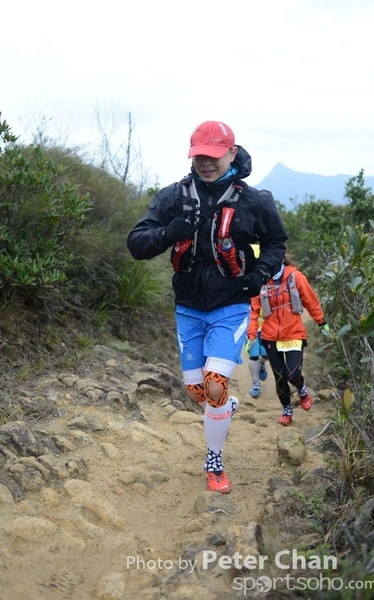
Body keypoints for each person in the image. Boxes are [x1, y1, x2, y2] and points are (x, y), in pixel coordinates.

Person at [127, 120, 287, 493]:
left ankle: (214, 461)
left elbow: (276, 243)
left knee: (215, 385)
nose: (206, 163)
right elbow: (137, 243)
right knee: (197, 392)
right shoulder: (174, 196)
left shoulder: (254, 200)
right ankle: (223, 409)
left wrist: (259, 274)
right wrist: (168, 233)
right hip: (188, 307)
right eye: (200, 155)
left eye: (214, 155)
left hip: (231, 304)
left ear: (232, 153)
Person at [247, 256, 329, 425]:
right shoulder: (261, 281)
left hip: (294, 333)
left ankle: (301, 389)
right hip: (270, 336)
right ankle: (287, 410)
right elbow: (254, 310)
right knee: (280, 377)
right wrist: (252, 335)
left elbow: (310, 300)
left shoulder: (295, 276)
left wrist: (321, 321)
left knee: (292, 374)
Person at [245, 311, 268, 399]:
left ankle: (262, 363)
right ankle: (256, 384)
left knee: (267, 354)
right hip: (249, 325)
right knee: (254, 356)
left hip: (267, 324)